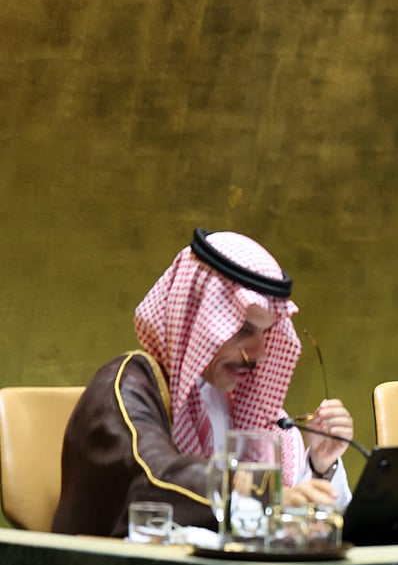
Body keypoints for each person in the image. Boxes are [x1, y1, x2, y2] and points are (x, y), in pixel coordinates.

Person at [52, 229, 356, 538]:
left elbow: (284, 510)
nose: (259, 354)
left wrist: (320, 465)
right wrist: (255, 495)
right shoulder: (126, 385)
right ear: (199, 319)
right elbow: (154, 478)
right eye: (243, 331)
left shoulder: (239, 401)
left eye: (266, 333)